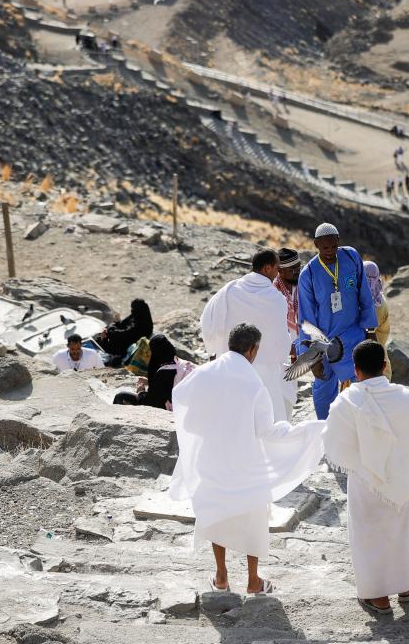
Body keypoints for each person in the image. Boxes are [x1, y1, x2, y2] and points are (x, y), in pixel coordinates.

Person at [168, 324, 326, 595]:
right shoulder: (253, 383)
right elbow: (267, 431)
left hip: (211, 458)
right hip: (246, 461)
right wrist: (308, 430)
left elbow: (182, 401)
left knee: (215, 513)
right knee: (252, 517)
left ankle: (221, 577)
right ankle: (253, 580)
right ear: (252, 350)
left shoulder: (203, 374)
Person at [324, 340, 409, 614]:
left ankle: (378, 597)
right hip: (401, 478)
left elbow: (334, 445)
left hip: (364, 481)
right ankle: (407, 587)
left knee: (369, 537)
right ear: (385, 366)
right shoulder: (407, 397)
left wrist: (363, 462)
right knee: (401, 532)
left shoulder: (345, 401)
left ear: (356, 371)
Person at [201, 249, 294, 422]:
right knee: (266, 418)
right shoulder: (275, 299)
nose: (279, 272)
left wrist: (215, 349)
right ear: (267, 269)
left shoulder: (229, 290)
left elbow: (207, 319)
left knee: (234, 416)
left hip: (232, 365)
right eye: (277, 267)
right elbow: (281, 341)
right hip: (265, 371)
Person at [297, 223, 377, 420]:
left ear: (338, 241)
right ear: (316, 244)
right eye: (325, 248)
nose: (330, 251)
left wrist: (371, 328)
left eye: (333, 246)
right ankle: (326, 432)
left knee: (363, 385)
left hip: (353, 335)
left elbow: (364, 295)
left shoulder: (351, 257)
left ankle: (366, 426)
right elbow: (306, 318)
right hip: (324, 343)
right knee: (323, 389)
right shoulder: (308, 275)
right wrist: (311, 359)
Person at [114, 334, 190, 410]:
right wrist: (151, 382)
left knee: (120, 396)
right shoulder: (180, 363)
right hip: (186, 403)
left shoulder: (164, 372)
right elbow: (168, 384)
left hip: (170, 407)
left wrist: (141, 391)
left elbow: (151, 402)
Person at [96, 298, 153, 366]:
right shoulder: (135, 314)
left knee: (108, 341)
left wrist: (112, 331)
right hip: (127, 336)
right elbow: (122, 323)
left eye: (133, 308)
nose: (132, 310)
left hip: (132, 343)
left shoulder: (143, 324)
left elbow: (128, 333)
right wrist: (112, 327)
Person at [363, 261, 392, 380]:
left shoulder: (366, 302)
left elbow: (369, 334)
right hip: (381, 337)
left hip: (369, 344)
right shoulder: (381, 298)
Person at [273, 248, 300, 341]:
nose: (297, 272)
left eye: (298, 267)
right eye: (292, 270)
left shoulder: (304, 283)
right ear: (280, 270)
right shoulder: (272, 290)